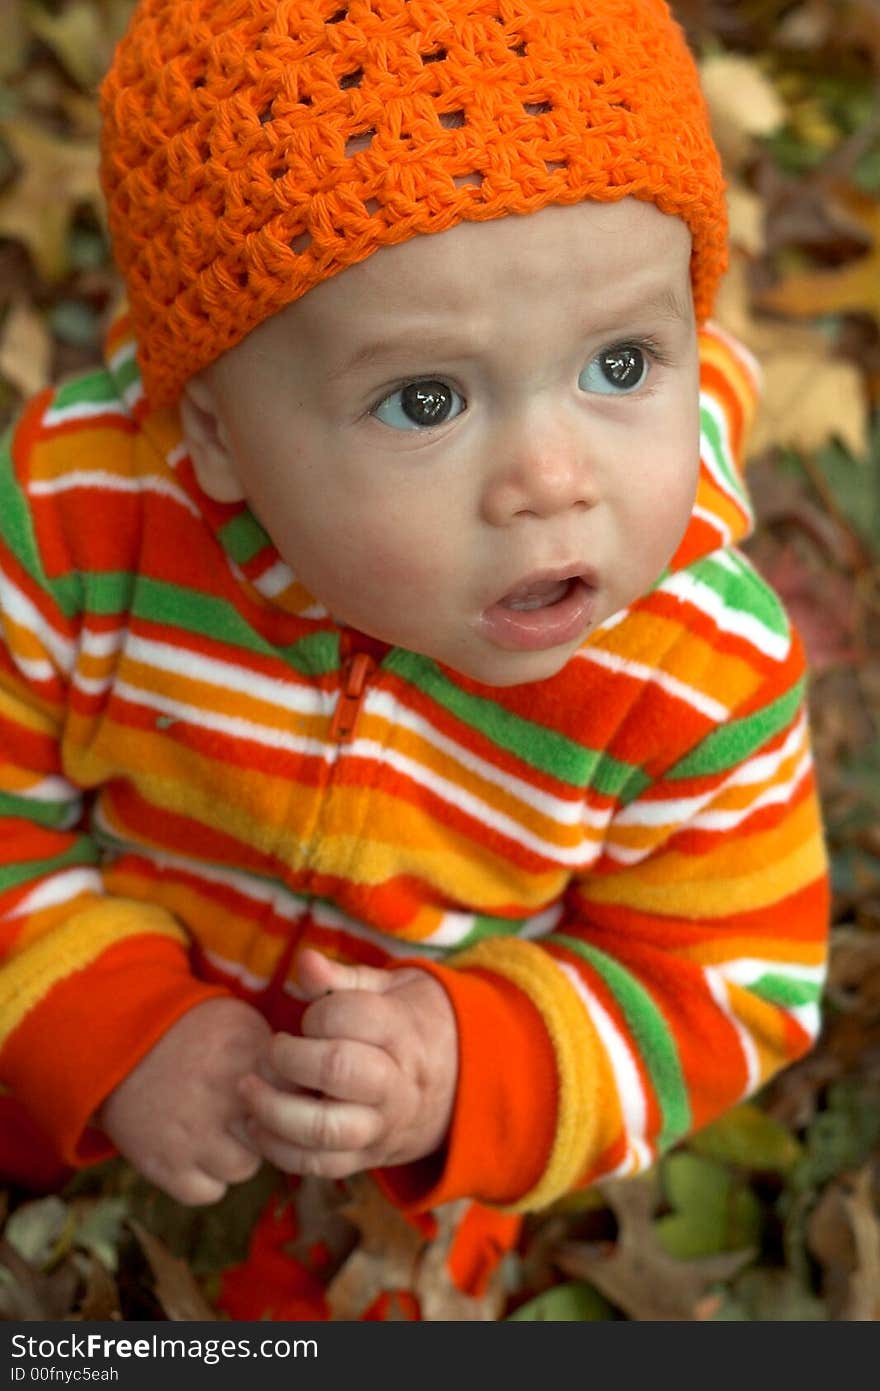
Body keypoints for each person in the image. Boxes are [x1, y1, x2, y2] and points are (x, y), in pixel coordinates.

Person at [0, 0, 829, 1319]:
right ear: (215, 429)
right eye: (426, 399)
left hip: (397, 1193)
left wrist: (469, 1069)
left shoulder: (693, 667)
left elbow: (730, 982)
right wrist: (109, 1029)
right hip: (55, 1053)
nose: (553, 482)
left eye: (623, 361)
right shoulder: (83, 523)